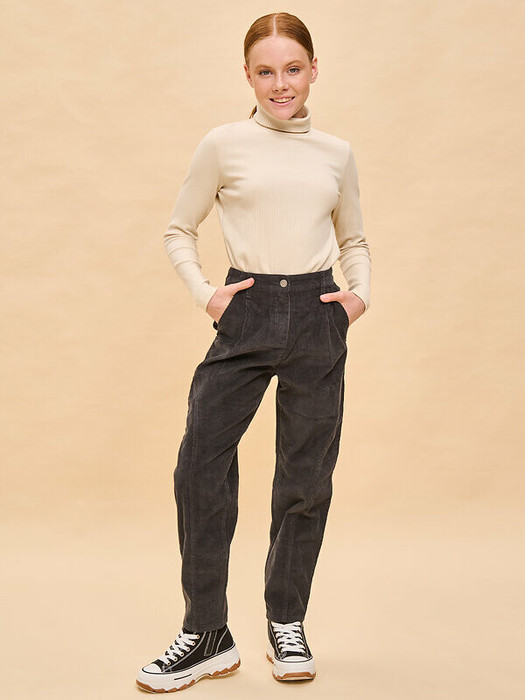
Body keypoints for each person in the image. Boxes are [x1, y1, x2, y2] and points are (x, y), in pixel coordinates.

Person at [136, 11, 371, 693]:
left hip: (318, 314)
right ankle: (207, 632)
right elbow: (178, 229)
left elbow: (353, 238)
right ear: (247, 75)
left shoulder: (335, 153)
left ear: (313, 70)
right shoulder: (224, 144)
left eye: (292, 69)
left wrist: (358, 296)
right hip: (246, 310)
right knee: (199, 466)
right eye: (265, 72)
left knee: (305, 478)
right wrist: (207, 294)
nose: (280, 84)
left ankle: (286, 621)